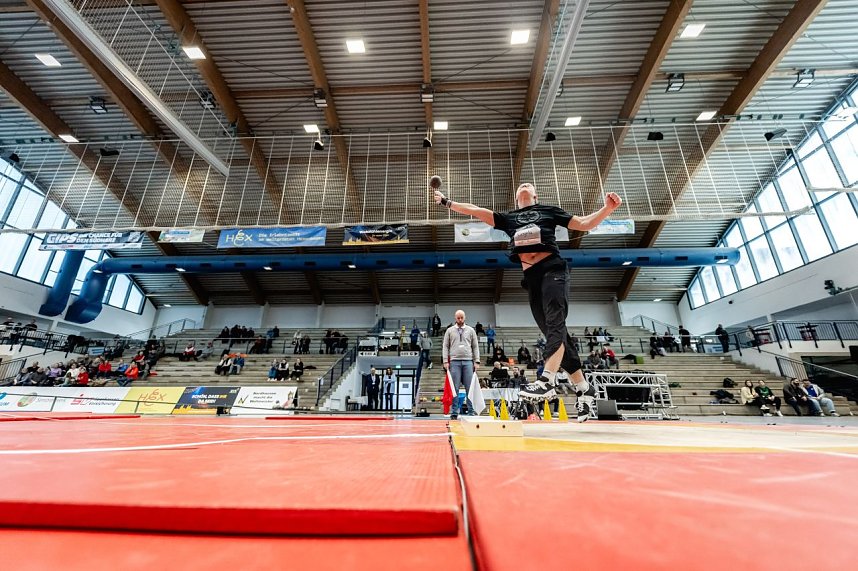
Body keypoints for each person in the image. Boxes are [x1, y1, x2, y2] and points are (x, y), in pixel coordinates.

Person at [433, 183, 621, 420]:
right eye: (520, 185)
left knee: (555, 324)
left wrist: (607, 208)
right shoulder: (510, 218)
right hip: (531, 277)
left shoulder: (549, 210)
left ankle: (547, 380)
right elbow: (475, 210)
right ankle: (584, 388)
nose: (524, 184)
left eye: (528, 185)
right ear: (516, 196)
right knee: (557, 333)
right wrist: (447, 202)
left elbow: (583, 223)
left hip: (553, 269)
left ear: (535, 195)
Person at [442, 310, 481, 419]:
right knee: (455, 389)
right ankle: (454, 412)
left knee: (470, 387)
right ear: (455, 318)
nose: (460, 320)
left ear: (465, 317)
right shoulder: (449, 331)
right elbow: (445, 346)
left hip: (468, 361)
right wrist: (445, 361)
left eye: (461, 318)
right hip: (454, 362)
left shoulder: (471, 330)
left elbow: (475, 346)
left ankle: (471, 411)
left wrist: (476, 361)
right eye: (458, 318)